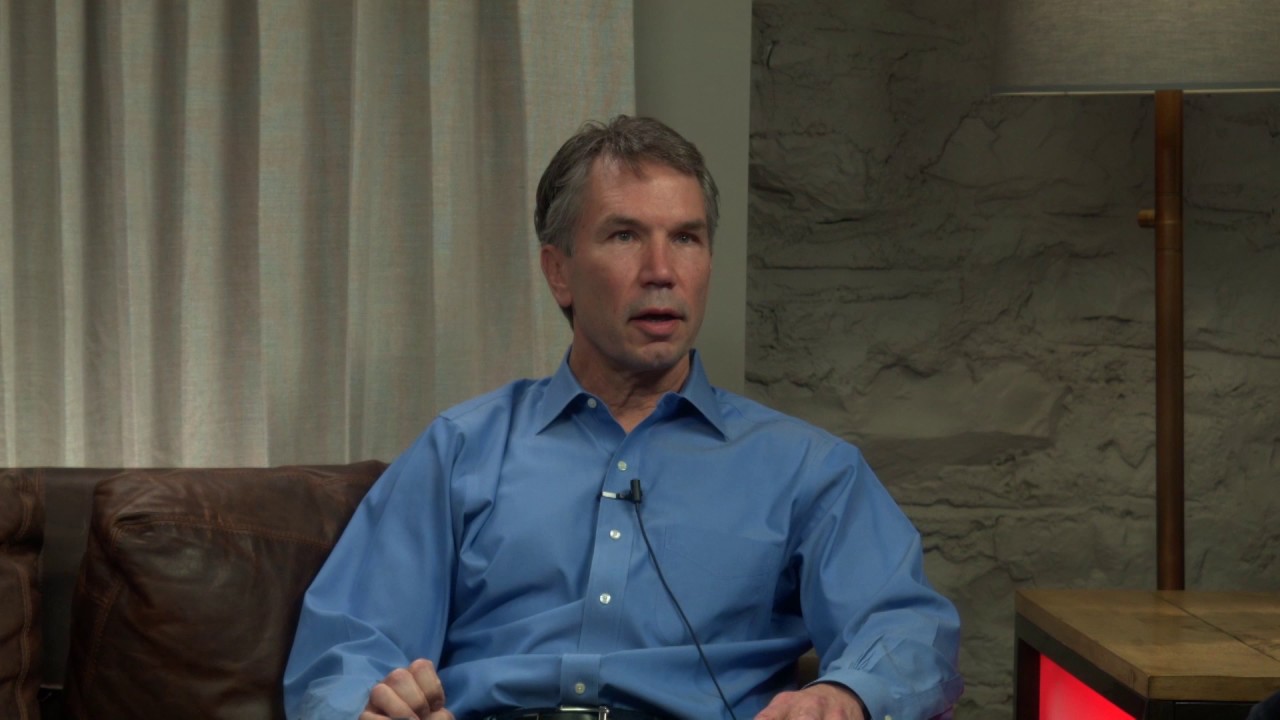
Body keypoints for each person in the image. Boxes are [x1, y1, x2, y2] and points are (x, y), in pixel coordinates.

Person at [284, 115, 963, 720]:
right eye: (625, 236)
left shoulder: (806, 469)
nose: (661, 270)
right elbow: (346, 647)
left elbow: (907, 629)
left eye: (686, 238)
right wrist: (371, 709)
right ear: (559, 272)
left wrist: (846, 694)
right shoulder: (461, 450)